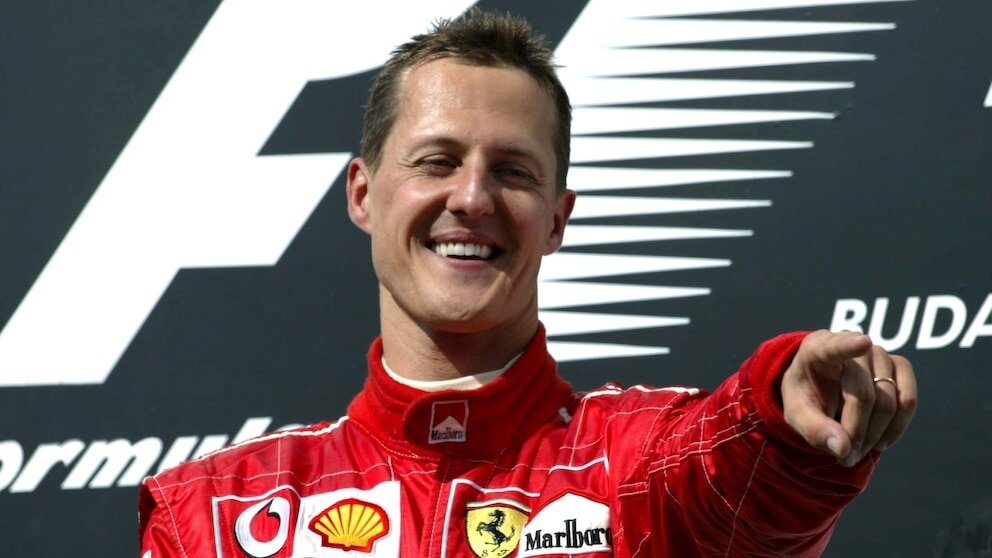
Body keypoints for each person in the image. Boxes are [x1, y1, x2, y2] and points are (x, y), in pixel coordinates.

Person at [138, 9, 917, 557]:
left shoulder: (637, 468)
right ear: (364, 195)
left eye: (512, 171)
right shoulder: (216, 514)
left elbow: (739, 478)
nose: (473, 198)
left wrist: (783, 418)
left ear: (556, 219)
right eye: (438, 161)